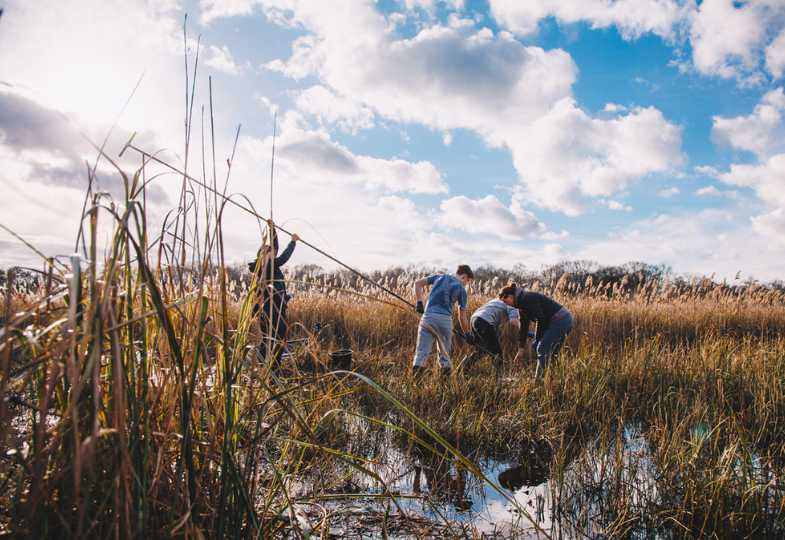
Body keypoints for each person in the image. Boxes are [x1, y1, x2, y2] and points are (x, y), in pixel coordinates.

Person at [249, 221, 300, 362]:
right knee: (278, 338)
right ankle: (272, 368)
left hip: (271, 308)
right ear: (265, 256)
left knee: (269, 338)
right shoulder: (266, 265)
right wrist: (293, 242)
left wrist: (272, 229)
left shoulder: (264, 265)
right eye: (272, 255)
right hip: (274, 309)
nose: (274, 257)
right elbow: (283, 258)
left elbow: (275, 248)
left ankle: (262, 363)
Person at [498, 282, 574, 375]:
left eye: (505, 301)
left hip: (560, 320)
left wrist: (538, 339)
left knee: (542, 348)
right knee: (552, 351)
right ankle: (556, 379)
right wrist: (520, 351)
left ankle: (539, 383)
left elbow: (540, 319)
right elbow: (523, 327)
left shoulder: (526, 298)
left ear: (510, 296)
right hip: (565, 319)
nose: (506, 305)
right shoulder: (521, 304)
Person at [412, 265, 474, 377]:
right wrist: (467, 334)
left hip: (427, 318)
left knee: (420, 354)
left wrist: (419, 303)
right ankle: (443, 386)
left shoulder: (439, 277)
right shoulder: (461, 289)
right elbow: (462, 317)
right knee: (444, 356)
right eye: (467, 281)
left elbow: (418, 283)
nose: (466, 283)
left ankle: (416, 385)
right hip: (444, 321)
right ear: (464, 276)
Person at [466, 297, 520, 370]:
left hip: (475, 319)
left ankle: (463, 368)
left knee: (483, 349)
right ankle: (496, 378)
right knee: (497, 353)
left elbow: (496, 319)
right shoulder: (514, 303)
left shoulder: (501, 298)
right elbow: (514, 322)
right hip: (485, 320)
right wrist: (525, 333)